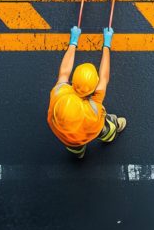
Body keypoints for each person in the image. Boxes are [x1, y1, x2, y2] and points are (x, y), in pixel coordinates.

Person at [48, 26, 126, 158]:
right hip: (92, 129)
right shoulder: (93, 107)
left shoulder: (60, 94)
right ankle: (110, 134)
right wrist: (106, 45)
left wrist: (73, 42)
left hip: (66, 138)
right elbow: (104, 76)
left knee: (75, 147)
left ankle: (78, 152)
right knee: (107, 128)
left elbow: (64, 72)